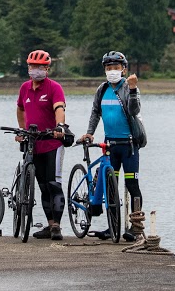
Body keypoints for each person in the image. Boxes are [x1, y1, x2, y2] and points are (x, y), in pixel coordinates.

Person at [82, 50, 147, 242]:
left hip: (128, 146)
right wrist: (90, 132)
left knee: (132, 184)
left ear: (124, 69)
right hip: (110, 145)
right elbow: (95, 113)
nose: (112, 71)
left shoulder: (128, 87)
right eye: (109, 68)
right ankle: (113, 228)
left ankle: (135, 229)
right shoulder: (102, 89)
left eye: (116, 67)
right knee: (112, 187)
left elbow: (134, 110)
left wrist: (134, 90)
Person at [16, 48, 69, 241]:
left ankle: (57, 226)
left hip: (52, 143)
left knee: (54, 183)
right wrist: (21, 130)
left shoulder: (54, 88)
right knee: (42, 185)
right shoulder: (24, 88)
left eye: (39, 67)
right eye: (32, 66)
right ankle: (49, 224)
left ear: (47, 68)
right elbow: (21, 109)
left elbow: (59, 108)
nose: (35, 70)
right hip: (33, 143)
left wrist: (60, 125)